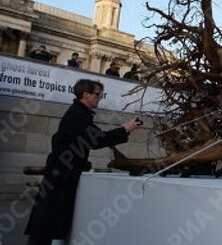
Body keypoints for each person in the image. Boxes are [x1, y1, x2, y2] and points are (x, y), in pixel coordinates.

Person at [25, 79, 141, 244]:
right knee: (44, 226)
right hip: (60, 177)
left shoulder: (80, 113)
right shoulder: (77, 115)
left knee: (47, 224)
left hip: (62, 175)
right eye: (97, 94)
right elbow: (96, 140)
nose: (99, 98)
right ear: (86, 95)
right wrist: (125, 130)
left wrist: (122, 130)